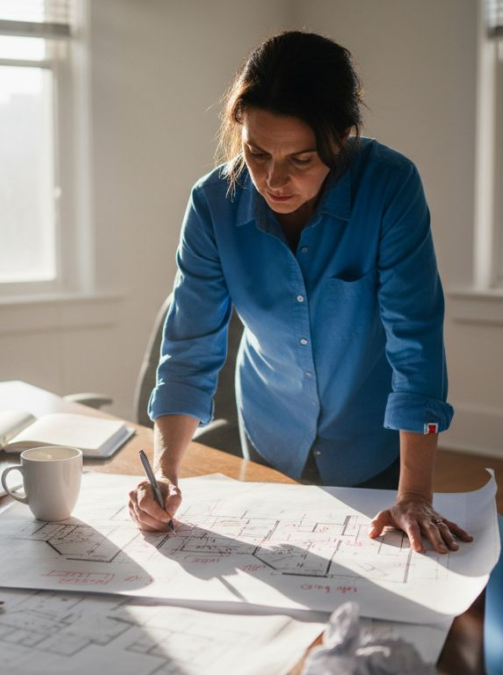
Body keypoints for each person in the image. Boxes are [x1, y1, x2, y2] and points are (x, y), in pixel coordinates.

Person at [127, 31, 472, 554]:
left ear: (341, 139)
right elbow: (188, 349)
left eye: (301, 160)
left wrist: (416, 494)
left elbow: (416, 345)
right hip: (268, 429)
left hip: (371, 439)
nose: (273, 180)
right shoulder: (211, 204)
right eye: (256, 153)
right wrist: (166, 475)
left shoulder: (391, 187)